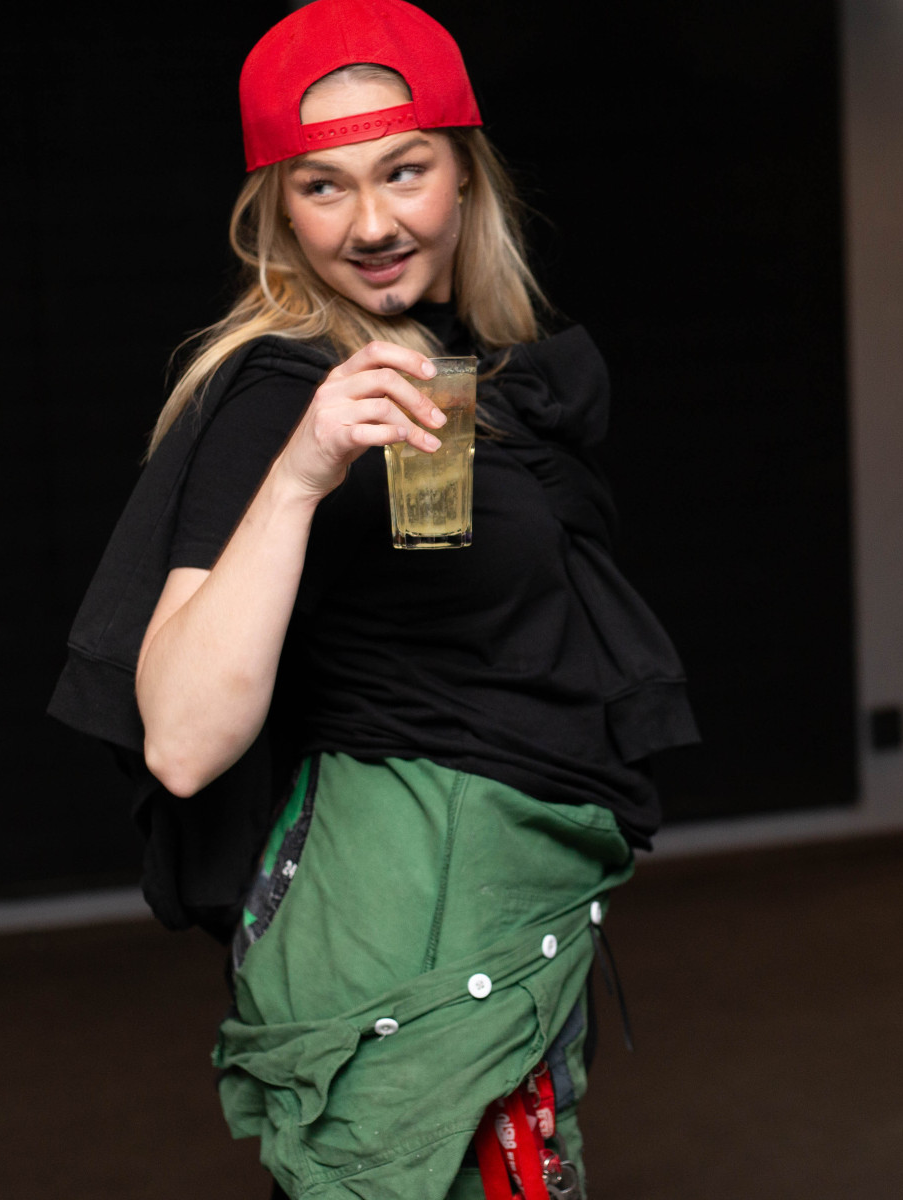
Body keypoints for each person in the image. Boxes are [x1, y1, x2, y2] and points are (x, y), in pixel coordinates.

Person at [48, 1, 699, 1196]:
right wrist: (303, 471)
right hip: (403, 933)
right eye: (324, 187)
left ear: (466, 174)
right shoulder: (278, 394)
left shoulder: (464, 369)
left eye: (404, 171)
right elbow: (182, 743)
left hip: (505, 918)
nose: (373, 225)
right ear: (278, 212)